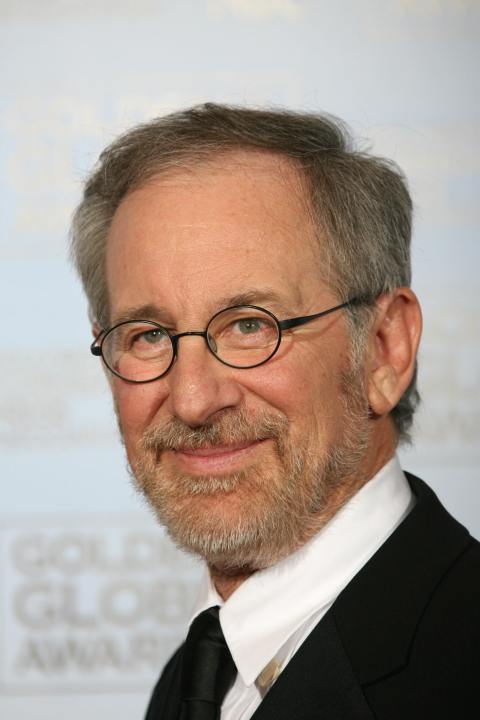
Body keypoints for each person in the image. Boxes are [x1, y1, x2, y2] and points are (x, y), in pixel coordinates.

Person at [70, 104, 480, 719]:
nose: (193, 399)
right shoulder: (197, 676)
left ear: (384, 349)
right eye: (148, 335)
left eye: (249, 325)